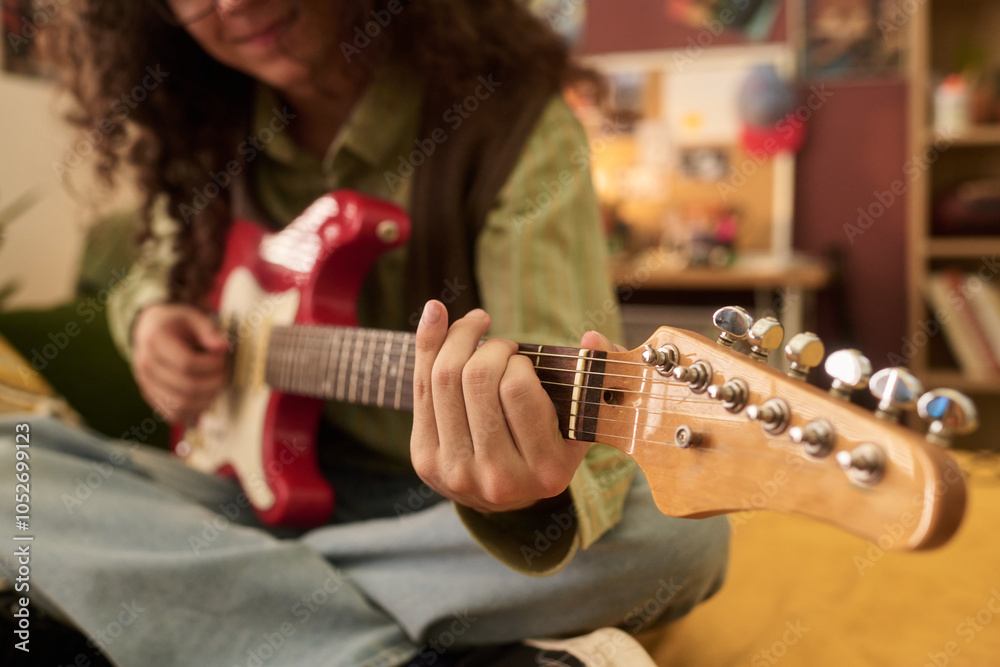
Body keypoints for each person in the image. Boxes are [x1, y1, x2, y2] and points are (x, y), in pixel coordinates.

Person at [0, 1, 729, 665]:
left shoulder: (516, 127)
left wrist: (516, 488)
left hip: (440, 519)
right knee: (12, 464)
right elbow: (148, 275)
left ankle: (217, 593)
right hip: (238, 496)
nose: (226, 4)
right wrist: (150, 318)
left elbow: (567, 417)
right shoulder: (198, 119)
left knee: (680, 540)